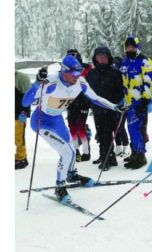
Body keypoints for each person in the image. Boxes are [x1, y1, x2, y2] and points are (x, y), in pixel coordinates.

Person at [22, 55, 127, 203]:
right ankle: (59, 186)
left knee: (71, 147)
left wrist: (115, 107)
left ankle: (71, 174)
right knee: (68, 152)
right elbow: (25, 102)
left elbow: (95, 98)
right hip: (42, 121)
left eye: (80, 72)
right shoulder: (51, 83)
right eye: (75, 73)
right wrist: (37, 83)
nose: (78, 76)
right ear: (64, 70)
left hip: (57, 120)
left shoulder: (80, 83)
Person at [86, 46, 125, 171]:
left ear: (108, 58)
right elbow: (87, 91)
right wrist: (90, 104)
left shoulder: (116, 73)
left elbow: (120, 91)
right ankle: (106, 155)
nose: (102, 59)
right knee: (100, 133)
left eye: (104, 56)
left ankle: (107, 157)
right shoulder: (91, 74)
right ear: (96, 58)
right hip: (97, 109)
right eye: (99, 56)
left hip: (110, 109)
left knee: (107, 133)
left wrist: (113, 104)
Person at [120, 36, 152, 169]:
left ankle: (141, 155)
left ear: (137, 47)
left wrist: (145, 99)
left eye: (133, 47)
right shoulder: (125, 63)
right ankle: (135, 151)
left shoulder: (144, 61)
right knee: (131, 128)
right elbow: (123, 83)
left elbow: (148, 81)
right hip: (129, 102)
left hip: (140, 101)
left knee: (138, 129)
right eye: (128, 47)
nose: (130, 49)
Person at [66, 48, 93, 162]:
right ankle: (76, 150)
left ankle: (86, 152)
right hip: (70, 102)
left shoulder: (87, 68)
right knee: (72, 127)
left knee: (81, 127)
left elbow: (92, 84)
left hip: (83, 103)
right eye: (69, 55)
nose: (72, 57)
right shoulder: (66, 69)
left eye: (74, 55)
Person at [112, 56, 131, 157]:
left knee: (121, 126)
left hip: (123, 103)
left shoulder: (124, 75)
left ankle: (126, 146)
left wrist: (124, 102)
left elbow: (126, 90)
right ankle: (118, 146)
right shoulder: (112, 75)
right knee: (115, 126)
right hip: (114, 105)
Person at [15, 70, 32, 169]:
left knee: (18, 137)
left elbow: (29, 96)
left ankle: (21, 158)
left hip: (17, 114)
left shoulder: (21, 78)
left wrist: (24, 112)